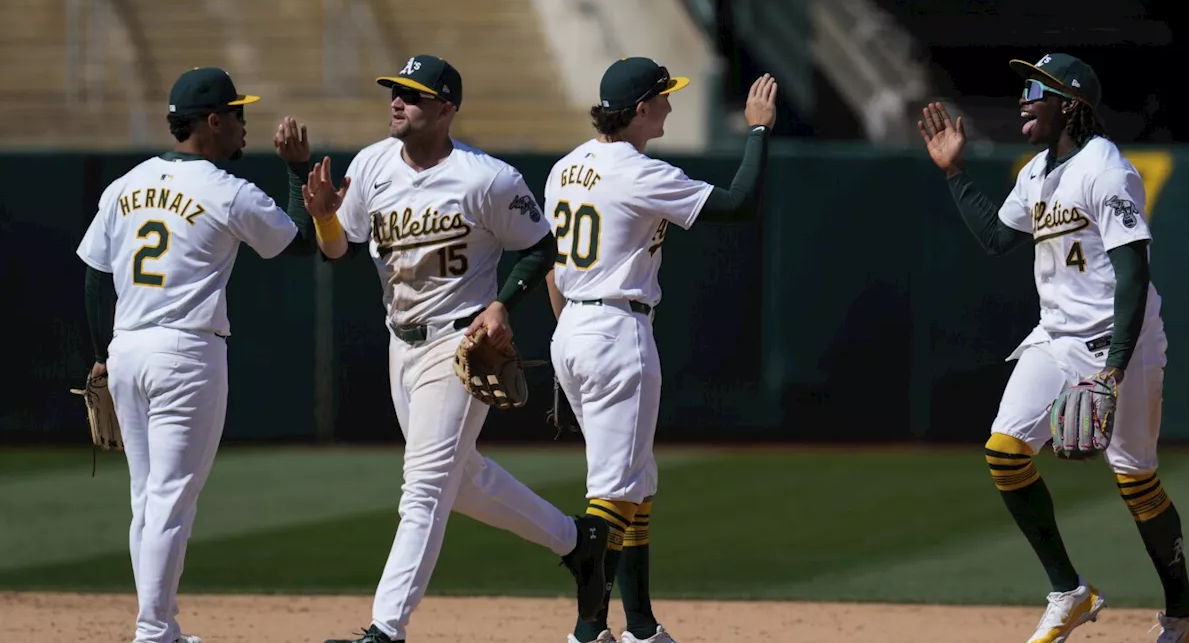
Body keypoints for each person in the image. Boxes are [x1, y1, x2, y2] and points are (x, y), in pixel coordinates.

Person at [293, 54, 607, 643]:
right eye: (394, 91)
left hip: (461, 342)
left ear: (445, 109)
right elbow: (339, 249)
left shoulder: (486, 178)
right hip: (401, 342)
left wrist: (502, 306)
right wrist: (325, 221)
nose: (396, 101)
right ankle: (577, 541)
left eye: (411, 95)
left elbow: (542, 247)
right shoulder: (372, 165)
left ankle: (386, 629)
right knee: (458, 480)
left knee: (424, 486)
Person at [917, 53, 1189, 643]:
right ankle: (1070, 591)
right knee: (1004, 452)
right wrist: (954, 172)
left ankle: (1188, 615)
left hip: (1117, 343)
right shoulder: (1036, 173)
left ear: (1071, 105)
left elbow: (1133, 277)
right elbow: (998, 238)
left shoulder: (1107, 170)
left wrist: (1114, 368)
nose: (1023, 98)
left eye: (1037, 88)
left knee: (1136, 480)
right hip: (1054, 339)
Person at [74, 67, 318, 643]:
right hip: (185, 352)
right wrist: (297, 169)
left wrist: (100, 354)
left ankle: (161, 627)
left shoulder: (126, 185)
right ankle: (154, 631)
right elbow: (300, 243)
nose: (243, 125)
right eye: (237, 114)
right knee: (170, 498)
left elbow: (93, 275)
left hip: (127, 349)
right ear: (212, 121)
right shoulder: (226, 188)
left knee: (147, 498)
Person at [543, 57, 778, 643]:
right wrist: (758, 130)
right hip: (618, 332)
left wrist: (570, 340)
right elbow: (739, 202)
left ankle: (642, 629)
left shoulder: (565, 168)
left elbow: (553, 268)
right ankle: (585, 632)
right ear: (642, 108)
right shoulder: (638, 171)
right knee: (613, 494)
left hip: (572, 326)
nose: (671, 104)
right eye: (664, 96)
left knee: (636, 483)